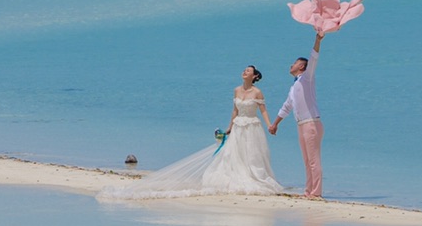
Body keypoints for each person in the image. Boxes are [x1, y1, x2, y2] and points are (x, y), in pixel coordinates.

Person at [100, 65, 288, 201]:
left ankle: (255, 178)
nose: (244, 72)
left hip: (252, 127)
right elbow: (234, 110)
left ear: (254, 76)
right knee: (233, 156)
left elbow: (263, 110)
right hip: (238, 126)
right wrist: (229, 126)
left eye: (248, 71)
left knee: (252, 156)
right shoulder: (236, 90)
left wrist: (271, 125)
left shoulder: (258, 92)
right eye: (244, 70)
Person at [268, 29, 325, 197]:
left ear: (301, 66)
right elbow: (286, 107)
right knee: (307, 161)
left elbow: (314, 58)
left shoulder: (307, 78)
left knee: (314, 160)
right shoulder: (294, 87)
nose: (290, 65)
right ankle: (309, 191)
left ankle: (316, 192)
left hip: (311, 123)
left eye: (294, 63)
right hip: (301, 125)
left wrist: (318, 40)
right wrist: (275, 124)